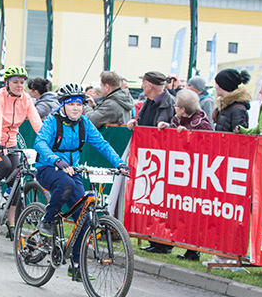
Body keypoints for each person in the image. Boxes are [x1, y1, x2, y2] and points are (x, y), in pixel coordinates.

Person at [34, 83, 126, 275]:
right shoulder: (53, 121)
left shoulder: (84, 123)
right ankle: (47, 219)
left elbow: (102, 144)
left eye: (79, 104)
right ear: (63, 105)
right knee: (65, 184)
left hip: (72, 170)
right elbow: (40, 142)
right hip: (48, 168)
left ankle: (76, 266)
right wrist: (55, 159)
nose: (76, 108)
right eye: (71, 104)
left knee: (84, 219)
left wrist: (119, 163)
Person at [0, 66, 42, 229]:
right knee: (4, 164)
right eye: (15, 82)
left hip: (10, 141)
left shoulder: (26, 99)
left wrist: (45, 141)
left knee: (16, 179)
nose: (20, 85)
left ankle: (11, 222)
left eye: (22, 82)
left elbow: (36, 121)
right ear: (7, 83)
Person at [155, 89, 212, 261]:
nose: (174, 107)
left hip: (196, 175)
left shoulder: (200, 122)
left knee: (193, 214)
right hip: (179, 173)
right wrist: (167, 128)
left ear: (184, 109)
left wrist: (189, 136)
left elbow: (209, 144)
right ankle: (171, 242)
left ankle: (193, 250)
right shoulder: (177, 119)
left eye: (177, 105)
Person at [127, 70, 175, 254]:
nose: (141, 87)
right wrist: (136, 121)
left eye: (143, 83)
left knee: (160, 200)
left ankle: (164, 242)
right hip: (148, 156)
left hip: (161, 158)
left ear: (151, 85)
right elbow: (146, 121)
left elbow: (165, 126)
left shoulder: (167, 103)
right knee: (150, 199)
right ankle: (153, 238)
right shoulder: (149, 102)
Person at [213, 68, 251, 132]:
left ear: (223, 85)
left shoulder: (237, 109)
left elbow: (239, 136)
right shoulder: (225, 105)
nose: (215, 87)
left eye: (216, 84)